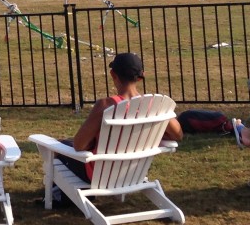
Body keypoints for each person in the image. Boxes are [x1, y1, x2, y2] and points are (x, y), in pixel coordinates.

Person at [58, 52, 182, 187]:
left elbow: (79, 145)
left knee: (60, 147)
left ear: (113, 74)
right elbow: (178, 134)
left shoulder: (106, 106)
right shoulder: (155, 106)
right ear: (141, 76)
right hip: (134, 171)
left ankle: (59, 196)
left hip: (97, 175)